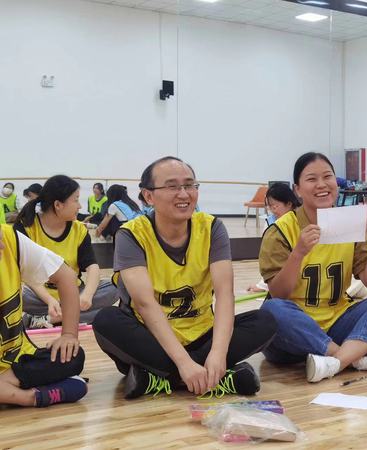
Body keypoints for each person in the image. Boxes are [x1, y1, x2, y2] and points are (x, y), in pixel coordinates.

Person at [92, 156, 277, 399]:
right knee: (106, 321)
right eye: (172, 186)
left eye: (190, 185)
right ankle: (213, 379)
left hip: (202, 334)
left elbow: (224, 294)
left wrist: (218, 354)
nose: (184, 194)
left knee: (266, 320)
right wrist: (184, 363)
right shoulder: (131, 234)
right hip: (153, 337)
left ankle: (156, 379)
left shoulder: (212, 228)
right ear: (148, 196)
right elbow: (145, 304)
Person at [259, 152, 367, 383]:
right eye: (311, 179)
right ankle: (354, 358)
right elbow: (279, 293)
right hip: (294, 333)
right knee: (271, 310)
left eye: (327, 176)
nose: (321, 184)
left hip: (337, 323)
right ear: (297, 189)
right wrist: (298, 253)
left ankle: (334, 362)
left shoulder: (351, 222)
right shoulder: (280, 231)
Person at [0, 223, 87, 407]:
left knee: (72, 355)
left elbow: (67, 276)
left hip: (16, 361)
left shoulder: (11, 239)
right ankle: (32, 397)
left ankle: (7, 388)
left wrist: (69, 335)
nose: (1, 244)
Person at [14, 175, 118, 327]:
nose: (79, 206)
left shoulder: (78, 229)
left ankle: (45, 319)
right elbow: (26, 274)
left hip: (74, 293)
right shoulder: (26, 227)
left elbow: (92, 266)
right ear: (58, 204)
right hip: (38, 295)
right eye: (76, 200)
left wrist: (87, 295)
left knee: (116, 286)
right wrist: (50, 300)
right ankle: (73, 315)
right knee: (12, 291)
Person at [247, 183, 300, 293]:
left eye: (275, 206)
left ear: (289, 204)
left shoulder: (301, 220)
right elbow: (270, 262)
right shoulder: (271, 224)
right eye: (269, 206)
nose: (272, 210)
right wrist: (263, 285)